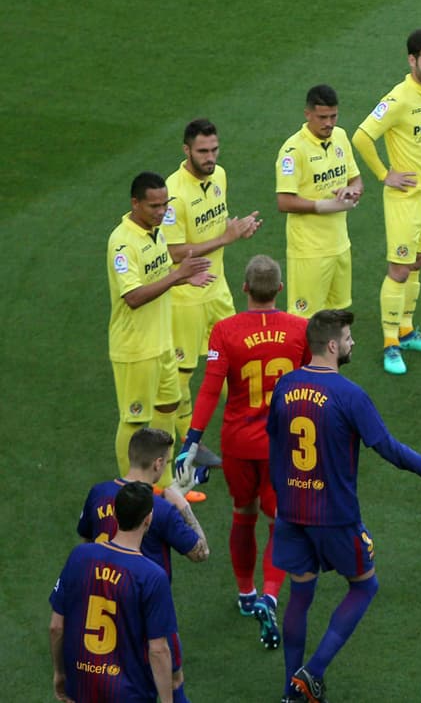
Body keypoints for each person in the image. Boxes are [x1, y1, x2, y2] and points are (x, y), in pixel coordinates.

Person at [268, 309, 421, 703]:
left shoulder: (285, 386)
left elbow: (276, 443)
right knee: (365, 586)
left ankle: (288, 693)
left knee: (300, 595)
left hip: (291, 511)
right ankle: (311, 674)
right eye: (348, 339)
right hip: (333, 515)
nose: (353, 344)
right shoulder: (349, 395)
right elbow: (387, 448)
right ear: (332, 346)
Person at [176, 254, 309, 650]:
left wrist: (191, 441)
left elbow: (210, 389)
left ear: (245, 288)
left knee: (243, 514)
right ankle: (270, 595)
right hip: (282, 446)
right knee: (280, 522)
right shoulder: (300, 329)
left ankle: (246, 593)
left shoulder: (226, 331)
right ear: (280, 289)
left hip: (237, 444)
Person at [165, 118, 262, 491]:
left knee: (237, 358)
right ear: (186, 150)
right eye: (203, 151)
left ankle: (252, 421)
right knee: (184, 372)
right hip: (186, 298)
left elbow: (217, 229)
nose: (210, 157)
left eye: (214, 149)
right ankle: (189, 447)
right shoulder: (173, 193)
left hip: (217, 290)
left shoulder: (219, 175)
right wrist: (226, 236)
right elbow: (173, 252)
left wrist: (236, 231)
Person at [77, 428, 208, 703]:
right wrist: (183, 505)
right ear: (158, 463)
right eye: (168, 462)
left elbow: (86, 540)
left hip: (104, 605)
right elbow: (201, 552)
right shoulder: (159, 509)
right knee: (172, 681)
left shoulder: (98, 493)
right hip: (149, 610)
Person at [351, 30, 421, 375]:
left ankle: (407, 331)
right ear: (412, 60)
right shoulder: (397, 99)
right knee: (399, 269)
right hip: (405, 199)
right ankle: (390, 343)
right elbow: (361, 136)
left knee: (419, 262)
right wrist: (383, 174)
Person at [108, 172, 214, 487]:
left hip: (163, 342)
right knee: (135, 419)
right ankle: (130, 489)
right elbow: (133, 297)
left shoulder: (156, 232)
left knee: (167, 406)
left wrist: (181, 277)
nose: (161, 211)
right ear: (135, 203)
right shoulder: (122, 243)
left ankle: (164, 485)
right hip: (136, 349)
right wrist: (176, 275)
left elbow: (158, 273)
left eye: (165, 205)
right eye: (154, 206)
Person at [51, 481, 180, 703]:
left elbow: (56, 627)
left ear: (115, 514)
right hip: (128, 694)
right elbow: (158, 650)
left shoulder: (79, 557)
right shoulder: (151, 576)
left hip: (81, 689)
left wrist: (60, 673)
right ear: (148, 519)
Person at [276, 84, 363, 318]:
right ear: (308, 115)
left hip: (340, 245)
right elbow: (284, 201)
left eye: (333, 116)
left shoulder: (341, 137)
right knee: (304, 321)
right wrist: (323, 206)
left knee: (336, 317)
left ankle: (332, 357)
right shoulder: (293, 151)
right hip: (309, 252)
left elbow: (357, 180)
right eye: (322, 117)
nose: (329, 123)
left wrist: (351, 191)